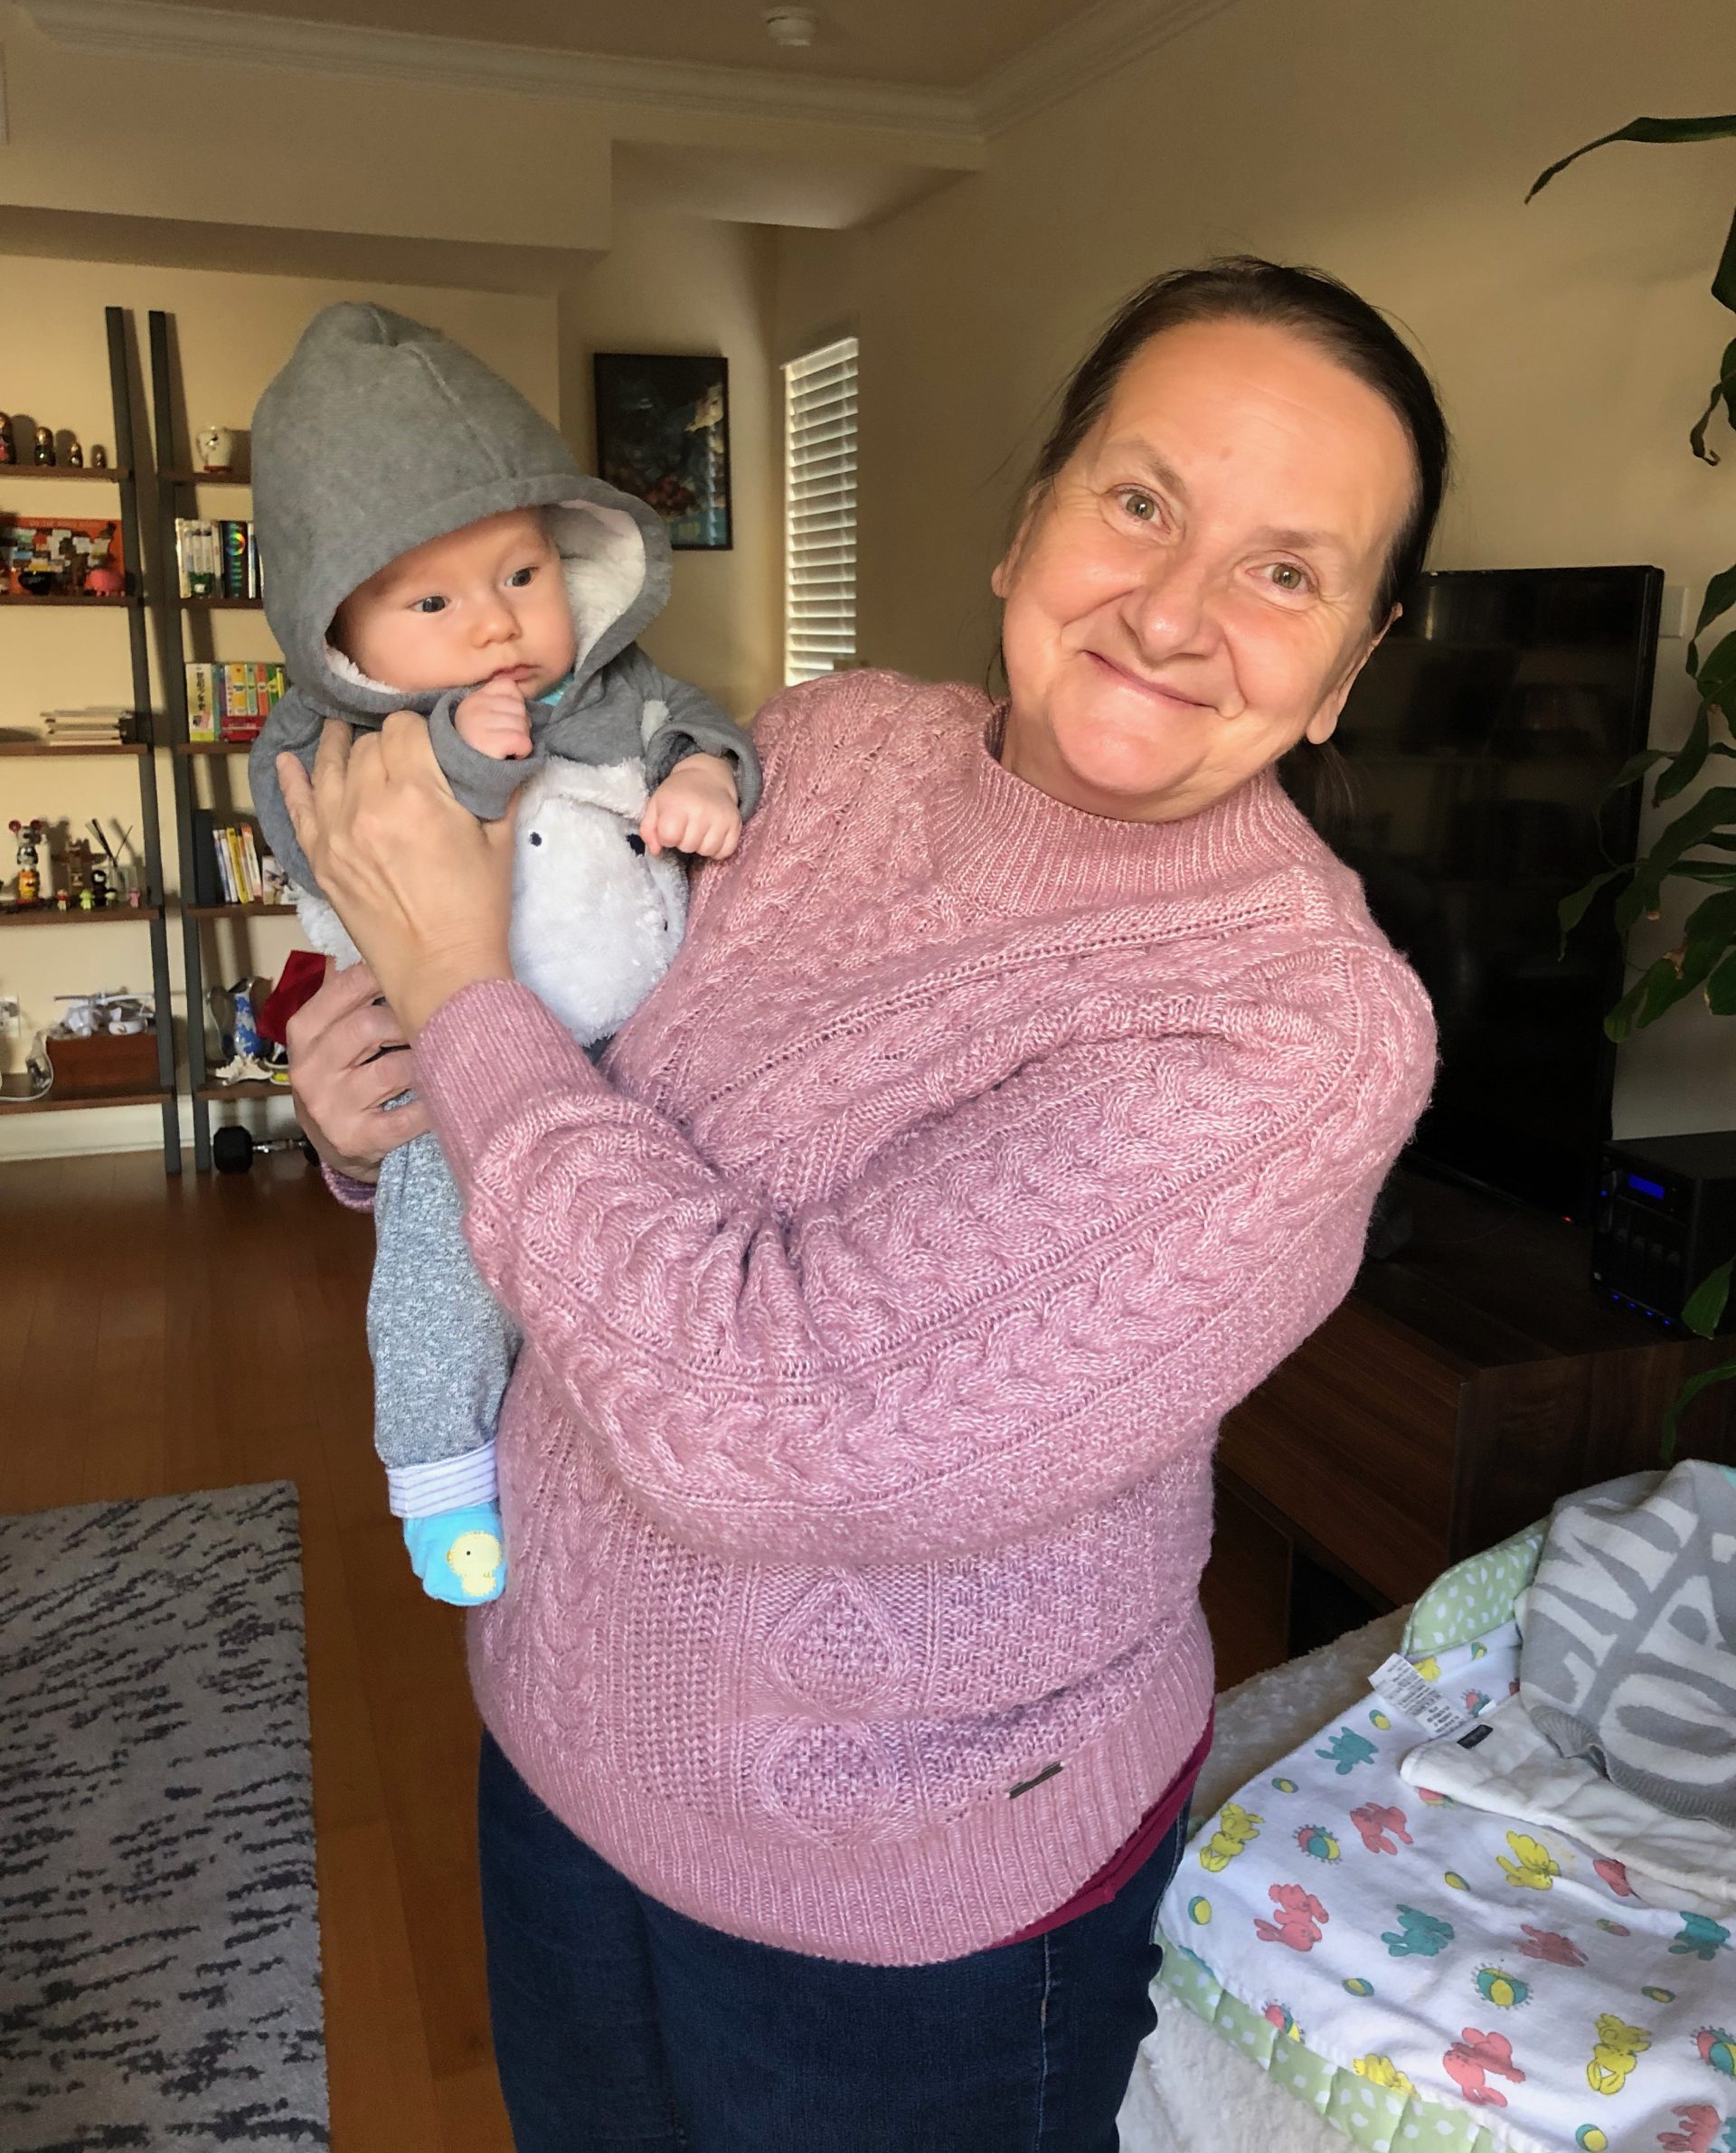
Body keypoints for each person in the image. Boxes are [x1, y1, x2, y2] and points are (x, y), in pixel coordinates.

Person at [282, 258, 1443, 2151]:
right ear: (1027, 523)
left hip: (902, 1907)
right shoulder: (824, 747)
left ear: (1350, 670)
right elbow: (578, 1092)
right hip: (553, 1742)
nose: (1173, 610)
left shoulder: (1302, 1028)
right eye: (1139, 500)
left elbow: (776, 1422)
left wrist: (455, 989)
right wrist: (388, 1108)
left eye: (1286, 572)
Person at [248, 303, 759, 1605]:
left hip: (641, 1039)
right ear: (338, 636)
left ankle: (620, 1452)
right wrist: (460, 754)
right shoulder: (320, 736)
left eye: (522, 576)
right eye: (432, 600)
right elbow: (335, 847)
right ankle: (438, 1480)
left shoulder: (611, 687)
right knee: (440, 1274)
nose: (495, 627)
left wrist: (705, 773)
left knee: (649, 1238)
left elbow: (694, 722)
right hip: (438, 1063)